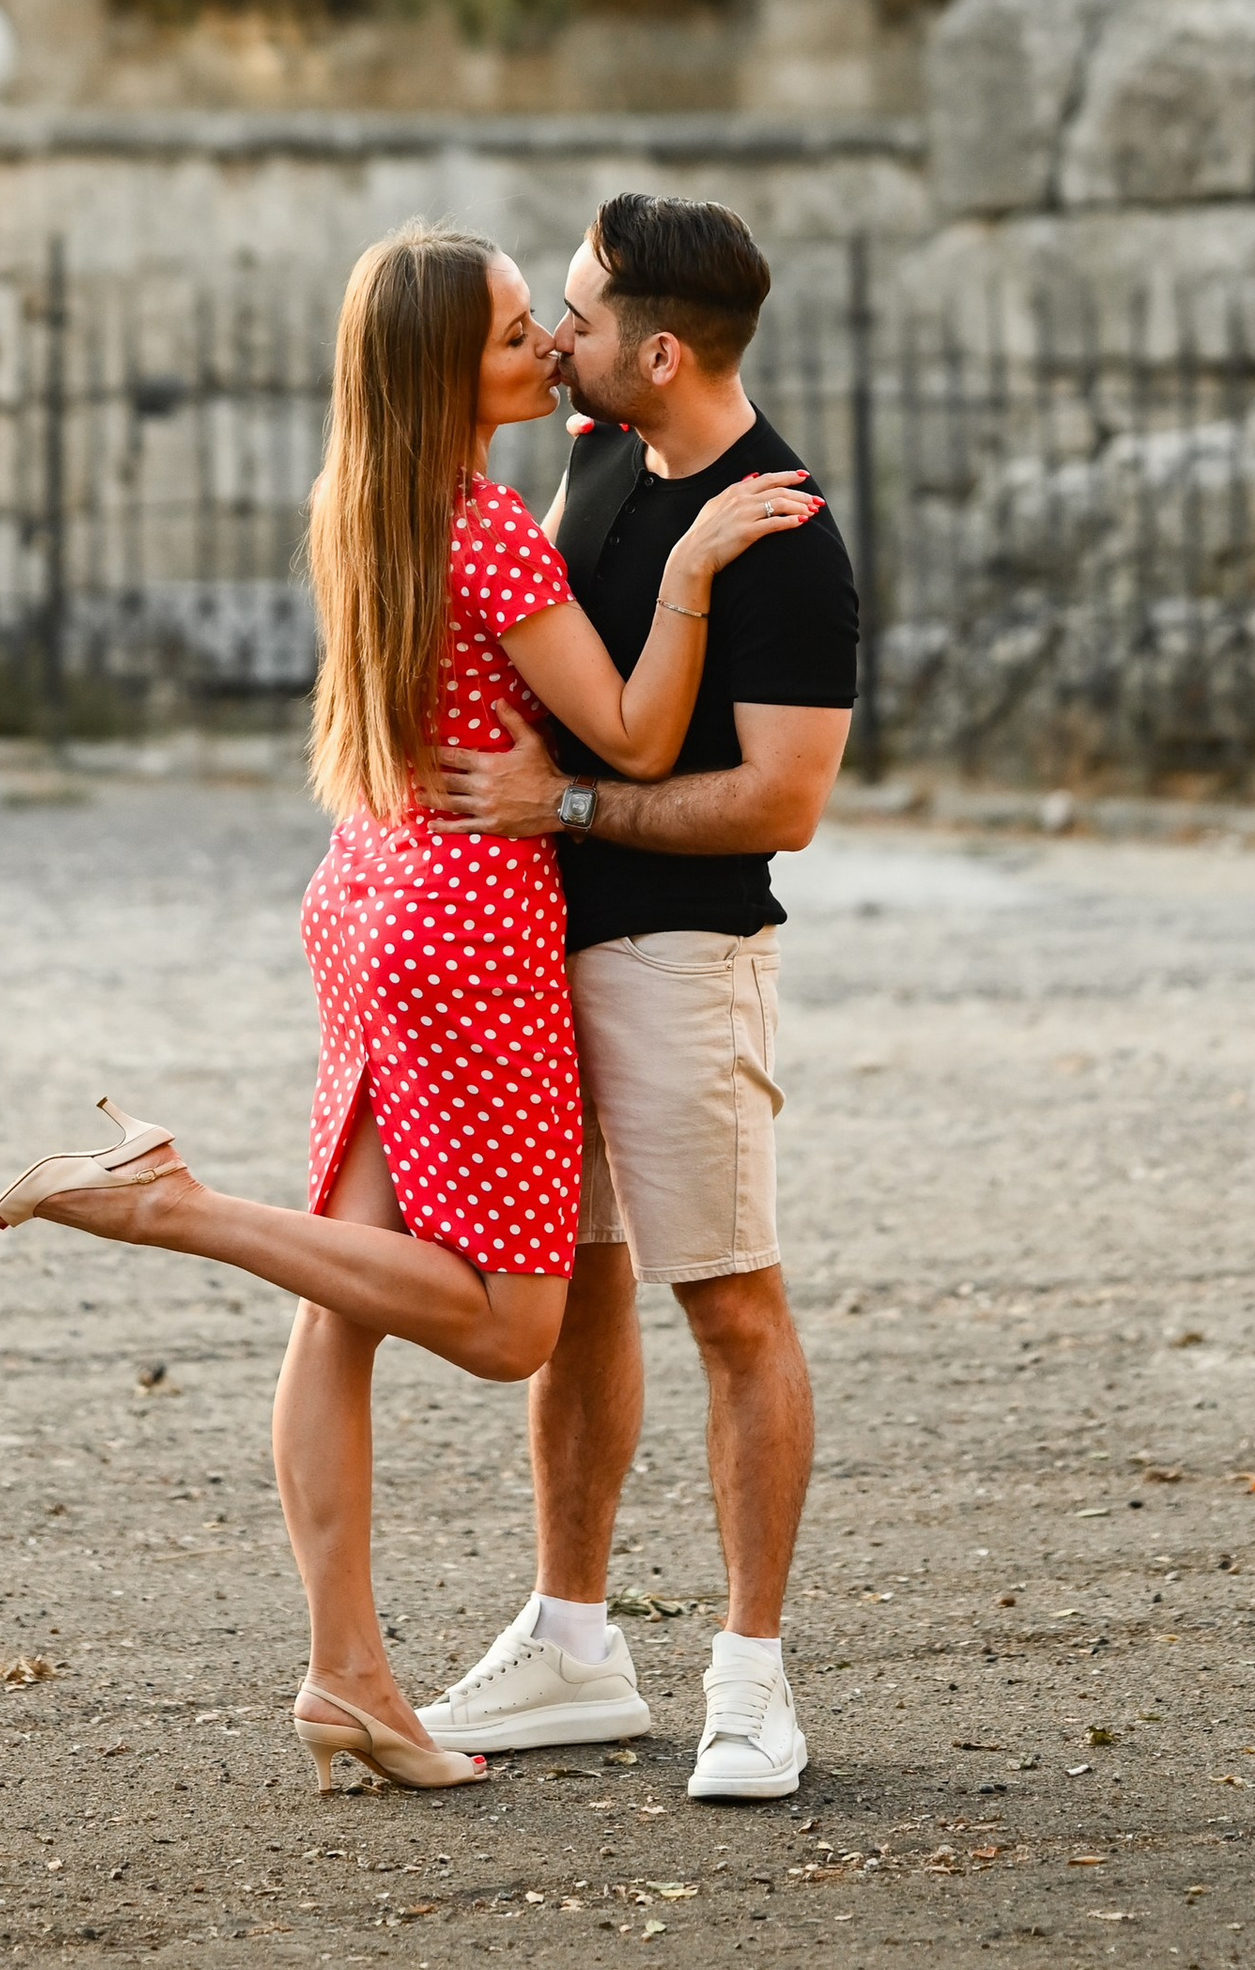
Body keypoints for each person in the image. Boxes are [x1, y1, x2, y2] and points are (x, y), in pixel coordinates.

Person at [0, 220, 820, 1795]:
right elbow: (638, 738)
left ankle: (347, 1674)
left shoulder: (362, 501)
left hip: (366, 893)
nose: (546, 345)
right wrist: (692, 565)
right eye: (514, 332)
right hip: (470, 923)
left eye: (550, 320)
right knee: (512, 1327)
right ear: (447, 376)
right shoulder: (487, 530)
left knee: (341, 1306)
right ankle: (178, 1207)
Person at [421, 193, 859, 1804]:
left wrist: (569, 809)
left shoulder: (787, 536)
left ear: (661, 354)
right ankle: (573, 1646)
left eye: (584, 317)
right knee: (582, 1291)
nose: (557, 337)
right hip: (539, 949)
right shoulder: (597, 454)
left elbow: (780, 803)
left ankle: (751, 1682)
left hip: (682, 956)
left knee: (729, 1302)